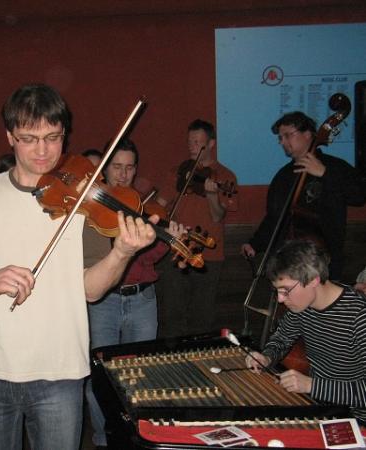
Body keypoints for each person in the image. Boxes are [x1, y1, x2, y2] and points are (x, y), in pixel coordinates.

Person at [0, 84, 157, 450]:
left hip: (60, 374)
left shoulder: (83, 199)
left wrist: (121, 253)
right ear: (10, 136)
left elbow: (91, 289)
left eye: (53, 138)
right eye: (29, 139)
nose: (43, 151)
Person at [86, 138, 184, 449]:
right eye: (117, 167)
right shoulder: (90, 207)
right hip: (103, 302)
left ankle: (137, 438)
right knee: (101, 377)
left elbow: (148, 259)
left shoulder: (144, 209)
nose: (123, 174)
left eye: (129, 167)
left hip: (142, 299)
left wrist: (168, 241)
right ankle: (104, 439)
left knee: (142, 375)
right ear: (105, 168)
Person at [245, 240, 366, 424]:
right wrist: (266, 357)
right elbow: (282, 338)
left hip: (357, 420)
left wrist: (312, 385)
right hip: (321, 409)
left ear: (313, 280)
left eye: (286, 290)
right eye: (277, 291)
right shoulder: (302, 307)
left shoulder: (359, 316)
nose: (280, 299)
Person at [241, 111, 366, 280]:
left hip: (324, 259)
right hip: (286, 259)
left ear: (308, 134)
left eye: (287, 135)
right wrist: (255, 243)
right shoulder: (283, 176)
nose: (282, 142)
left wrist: (325, 173)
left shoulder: (335, 167)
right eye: (280, 138)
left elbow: (359, 196)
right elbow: (274, 217)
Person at [155, 119, 238, 338]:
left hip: (208, 255)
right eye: (190, 141)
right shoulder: (178, 172)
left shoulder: (225, 176)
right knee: (172, 313)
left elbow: (218, 216)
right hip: (176, 251)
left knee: (202, 315)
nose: (192, 147)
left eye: (197, 142)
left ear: (211, 144)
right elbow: (159, 206)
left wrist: (211, 194)